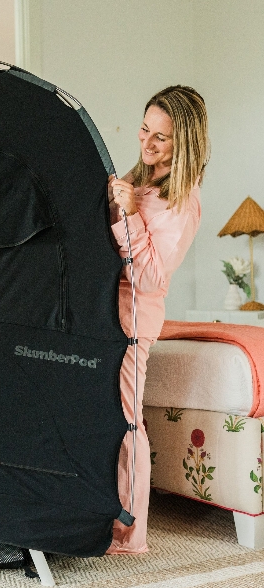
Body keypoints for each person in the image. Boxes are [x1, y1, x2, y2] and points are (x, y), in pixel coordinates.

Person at [106, 85, 210, 554]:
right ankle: (99, 517)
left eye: (160, 138)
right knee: (105, 418)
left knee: (127, 423)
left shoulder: (182, 202)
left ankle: (129, 534)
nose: (146, 143)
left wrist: (128, 213)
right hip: (106, 312)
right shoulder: (142, 182)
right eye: (144, 130)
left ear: (183, 143)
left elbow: (149, 277)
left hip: (134, 320)